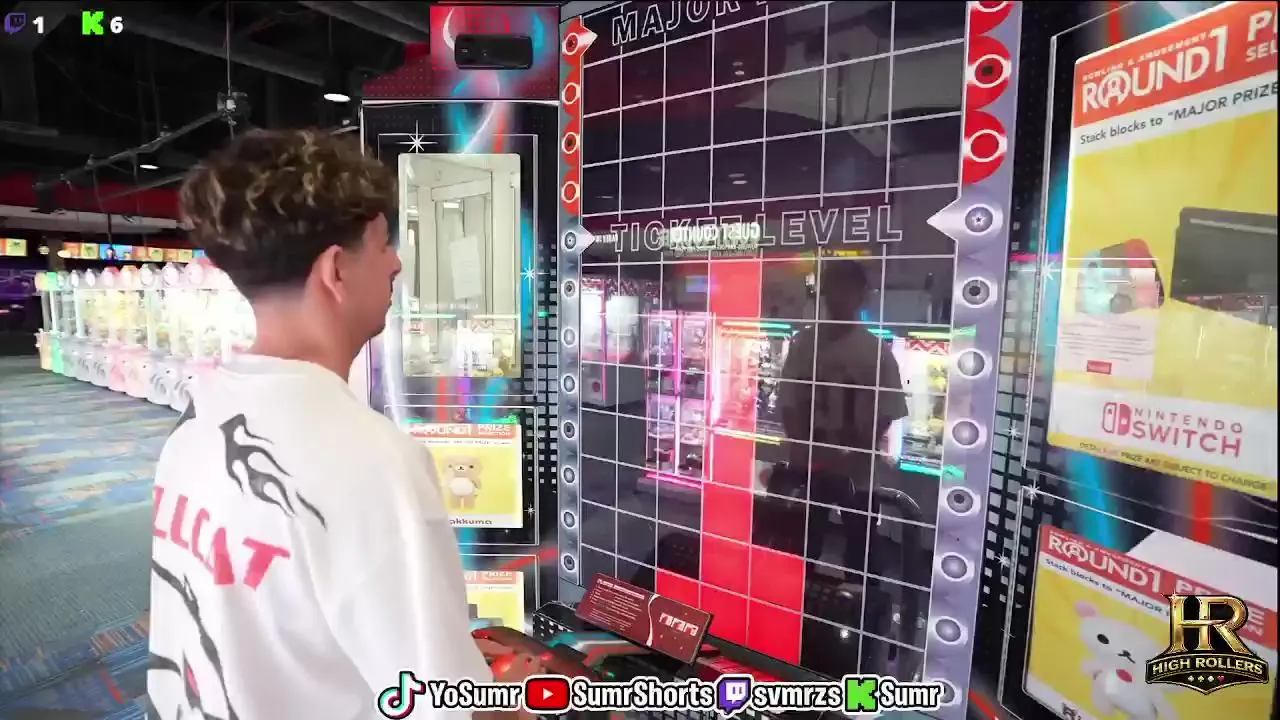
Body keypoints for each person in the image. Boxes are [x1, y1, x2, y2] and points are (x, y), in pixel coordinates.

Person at [148, 129, 538, 720]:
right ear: (335, 270)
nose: (397, 263)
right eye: (382, 245)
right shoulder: (372, 461)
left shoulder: (196, 420)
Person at [778, 259, 909, 569]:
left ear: (860, 295)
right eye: (834, 289)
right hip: (813, 468)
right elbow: (789, 401)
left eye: (846, 289)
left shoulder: (875, 351)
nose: (838, 297)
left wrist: (856, 447)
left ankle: (854, 593)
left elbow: (887, 411)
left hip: (857, 473)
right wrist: (801, 447)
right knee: (804, 546)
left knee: (860, 551)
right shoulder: (805, 344)